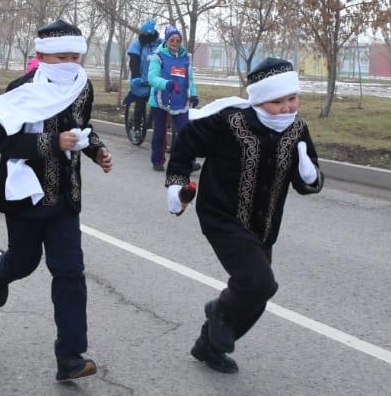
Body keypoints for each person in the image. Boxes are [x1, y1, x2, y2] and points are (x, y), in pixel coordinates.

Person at [164, 57, 323, 374]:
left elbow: (306, 181)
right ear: (259, 100)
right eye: (278, 101)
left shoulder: (297, 129)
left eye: (292, 99)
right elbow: (186, 143)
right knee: (258, 282)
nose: (287, 107)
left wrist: (310, 176)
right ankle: (219, 311)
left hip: (263, 225)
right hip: (222, 216)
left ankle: (208, 345)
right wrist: (177, 183)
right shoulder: (231, 122)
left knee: (257, 295)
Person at [0, 20, 114, 382]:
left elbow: (83, 127)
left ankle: (70, 356)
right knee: (24, 262)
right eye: (62, 57)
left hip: (65, 198)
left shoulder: (82, 87)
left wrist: (97, 150)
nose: (70, 63)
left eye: (76, 56)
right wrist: (54, 143)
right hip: (26, 195)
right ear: (41, 56)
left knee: (70, 271)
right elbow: (7, 143)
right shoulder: (22, 89)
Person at [147, 25, 198, 171]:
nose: (175, 43)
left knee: (185, 132)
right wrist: (166, 84)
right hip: (160, 100)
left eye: (178, 40)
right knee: (160, 134)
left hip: (180, 99)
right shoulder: (158, 57)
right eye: (172, 40)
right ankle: (158, 160)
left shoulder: (186, 57)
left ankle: (188, 162)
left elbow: (190, 79)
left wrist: (194, 94)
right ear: (166, 41)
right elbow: (152, 78)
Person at [125, 19, 160, 108]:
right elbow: (134, 59)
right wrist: (135, 76)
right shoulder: (138, 43)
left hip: (157, 80)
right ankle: (138, 117)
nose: (143, 35)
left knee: (157, 105)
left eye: (145, 33)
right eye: (142, 33)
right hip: (141, 80)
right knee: (140, 102)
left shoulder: (161, 44)